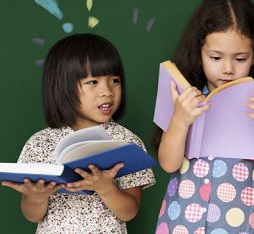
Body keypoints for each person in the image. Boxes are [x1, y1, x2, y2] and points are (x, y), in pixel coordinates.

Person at [154, 0, 254, 233]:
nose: (228, 69)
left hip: (240, 226)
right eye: (216, 57)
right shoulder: (186, 101)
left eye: (240, 58)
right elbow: (168, 164)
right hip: (182, 223)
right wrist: (179, 121)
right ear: (200, 53)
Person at [1, 33, 155, 233]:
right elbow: (33, 215)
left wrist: (105, 187)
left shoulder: (126, 142)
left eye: (115, 80)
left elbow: (129, 212)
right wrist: (37, 197)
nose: (107, 91)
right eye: (93, 82)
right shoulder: (39, 143)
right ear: (63, 87)